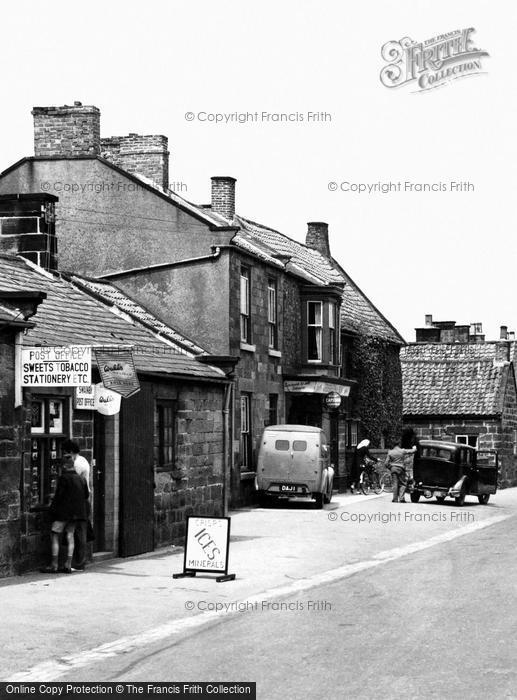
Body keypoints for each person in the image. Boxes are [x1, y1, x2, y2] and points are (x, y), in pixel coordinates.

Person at [40, 455, 89, 574]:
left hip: (63, 513)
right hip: (77, 514)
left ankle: (54, 564)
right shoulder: (81, 479)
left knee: (55, 534)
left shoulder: (64, 478)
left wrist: (52, 511)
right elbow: (86, 495)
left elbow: (59, 497)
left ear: (64, 466)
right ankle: (68, 564)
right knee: (70, 536)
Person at [61, 439, 91, 571]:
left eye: (66, 453)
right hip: (85, 498)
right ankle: (80, 561)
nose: (64, 455)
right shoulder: (84, 460)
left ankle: (78, 563)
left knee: (77, 533)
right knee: (81, 531)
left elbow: (73, 483)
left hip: (77, 500)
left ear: (71, 452)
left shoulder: (76, 464)